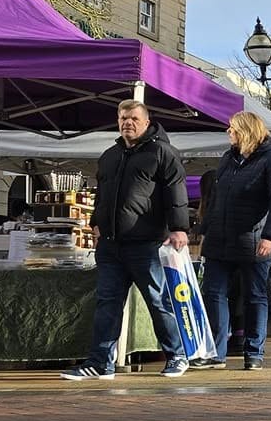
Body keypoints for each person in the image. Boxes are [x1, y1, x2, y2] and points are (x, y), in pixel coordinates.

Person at [62, 100, 190, 381]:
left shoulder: (163, 152)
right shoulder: (110, 155)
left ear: (146, 122)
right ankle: (100, 364)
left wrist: (179, 228)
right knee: (107, 304)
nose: (127, 123)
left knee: (158, 302)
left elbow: (176, 193)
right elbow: (102, 194)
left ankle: (177, 355)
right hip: (110, 244)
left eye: (133, 118)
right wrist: (95, 223)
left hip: (147, 244)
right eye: (123, 118)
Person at [198, 110, 271, 370]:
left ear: (246, 131)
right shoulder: (228, 159)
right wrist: (205, 229)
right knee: (214, 293)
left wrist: (270, 236)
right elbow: (216, 197)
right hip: (220, 238)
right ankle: (216, 353)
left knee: (255, 297)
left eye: (233, 128)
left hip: (254, 240)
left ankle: (254, 353)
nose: (229, 132)